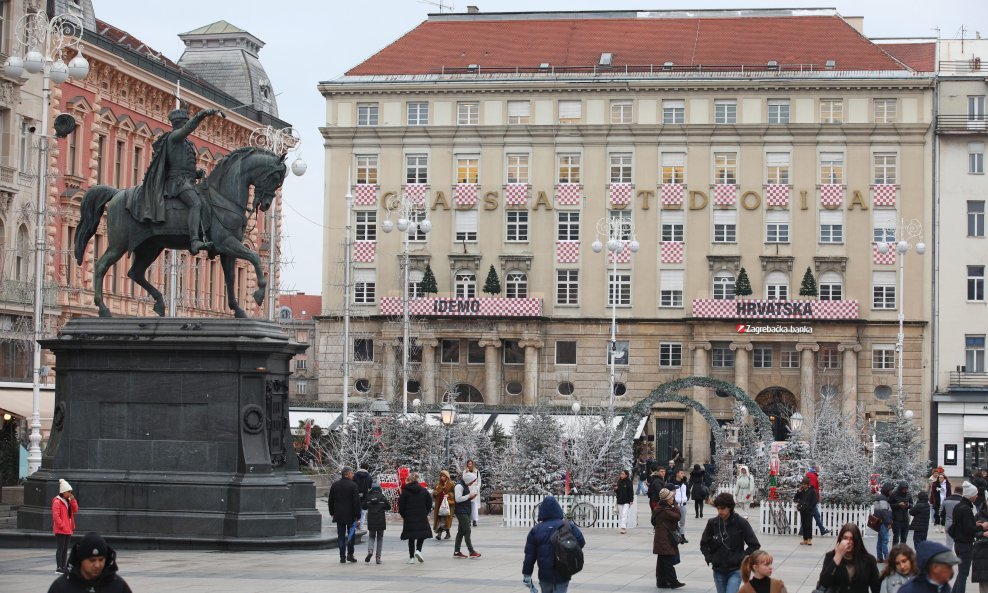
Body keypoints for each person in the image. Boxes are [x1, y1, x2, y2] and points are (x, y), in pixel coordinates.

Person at [131, 104, 222, 254]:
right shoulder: (174, 137)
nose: (186, 125)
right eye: (185, 123)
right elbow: (187, 130)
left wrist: (196, 173)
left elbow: (184, 164)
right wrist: (202, 115)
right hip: (177, 182)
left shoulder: (186, 143)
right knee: (195, 203)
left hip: (187, 181)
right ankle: (194, 241)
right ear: (179, 124)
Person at [522, 495, 586, 593]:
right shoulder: (568, 525)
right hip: (563, 571)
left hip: (545, 575)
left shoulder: (536, 530)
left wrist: (527, 574)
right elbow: (581, 542)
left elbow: (529, 556)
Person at [700, 493, 761, 593]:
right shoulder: (713, 523)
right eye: (718, 508)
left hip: (735, 569)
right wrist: (709, 557)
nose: (720, 511)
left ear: (730, 508)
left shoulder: (741, 523)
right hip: (718, 569)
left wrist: (742, 558)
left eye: (723, 508)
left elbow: (754, 545)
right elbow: (704, 543)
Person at [47, 532, 132, 593]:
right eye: (92, 560)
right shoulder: (61, 587)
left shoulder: (118, 586)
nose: (97, 565)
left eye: (101, 559)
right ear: (81, 559)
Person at [816, 523, 881, 593]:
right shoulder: (830, 557)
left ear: (857, 540)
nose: (848, 542)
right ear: (840, 539)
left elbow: (876, 587)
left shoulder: (869, 560)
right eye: (845, 538)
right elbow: (823, 583)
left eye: (852, 539)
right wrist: (838, 556)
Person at [952, 482, 982, 593]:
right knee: (963, 575)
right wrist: (981, 527)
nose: (977, 496)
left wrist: (974, 523)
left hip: (959, 543)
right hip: (964, 544)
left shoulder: (959, 506)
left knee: (961, 573)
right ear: (970, 495)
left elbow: (962, 525)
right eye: (976, 494)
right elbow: (968, 529)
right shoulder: (966, 509)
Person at [328, 466, 361, 563]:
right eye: (352, 473)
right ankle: (350, 554)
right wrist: (358, 515)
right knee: (351, 535)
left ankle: (342, 556)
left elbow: (331, 500)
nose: (353, 475)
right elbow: (356, 502)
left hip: (339, 515)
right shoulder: (353, 485)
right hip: (351, 515)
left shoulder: (335, 485)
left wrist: (332, 512)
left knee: (341, 536)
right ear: (347, 474)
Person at [653, 488, 685, 589]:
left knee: (662, 561)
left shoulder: (659, 508)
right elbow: (677, 516)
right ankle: (673, 581)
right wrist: (675, 506)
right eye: (671, 497)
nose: (673, 498)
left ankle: (661, 581)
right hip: (664, 539)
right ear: (666, 499)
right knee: (667, 561)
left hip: (662, 538)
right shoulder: (664, 510)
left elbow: (653, 521)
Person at [398, 472, 433, 564]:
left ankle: (411, 558)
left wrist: (404, 515)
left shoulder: (405, 492)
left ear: (409, 481)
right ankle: (418, 550)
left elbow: (401, 505)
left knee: (411, 537)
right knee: (422, 534)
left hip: (409, 517)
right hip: (421, 515)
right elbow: (430, 502)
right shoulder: (424, 491)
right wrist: (425, 512)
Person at [452, 471, 481, 559]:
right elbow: (458, 499)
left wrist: (471, 497)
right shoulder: (459, 486)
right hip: (461, 511)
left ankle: (457, 551)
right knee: (467, 530)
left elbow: (463, 497)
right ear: (468, 480)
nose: (472, 483)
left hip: (464, 510)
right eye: (472, 481)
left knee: (461, 532)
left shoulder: (464, 485)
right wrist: (469, 496)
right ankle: (471, 551)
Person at [52, 479, 78, 574]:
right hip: (61, 529)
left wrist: (73, 500)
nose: (70, 493)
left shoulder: (68, 501)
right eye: (68, 492)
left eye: (70, 492)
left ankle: (63, 566)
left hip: (68, 528)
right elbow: (56, 516)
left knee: (65, 548)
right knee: (61, 548)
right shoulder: (57, 501)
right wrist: (62, 525)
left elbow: (75, 510)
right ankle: (59, 567)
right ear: (63, 491)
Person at [362, 482, 389, 564]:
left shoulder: (368, 497)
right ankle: (378, 557)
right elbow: (388, 507)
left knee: (371, 536)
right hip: (380, 521)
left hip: (371, 520)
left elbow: (363, 506)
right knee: (380, 538)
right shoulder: (382, 497)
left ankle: (370, 551)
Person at [807, 467, 832, 535]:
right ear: (814, 469)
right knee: (815, 515)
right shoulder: (812, 476)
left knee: (811, 516)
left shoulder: (810, 475)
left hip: (810, 499)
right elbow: (812, 487)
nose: (819, 470)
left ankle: (802, 531)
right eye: (818, 469)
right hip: (811, 499)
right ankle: (822, 530)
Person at [796, 477, 820, 546]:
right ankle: (805, 539)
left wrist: (809, 507)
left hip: (809, 511)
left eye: (804, 484)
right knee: (804, 525)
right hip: (802, 510)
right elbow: (796, 498)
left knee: (808, 525)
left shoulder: (812, 491)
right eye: (802, 484)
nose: (803, 485)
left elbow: (815, 500)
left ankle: (809, 539)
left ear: (808, 484)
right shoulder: (802, 491)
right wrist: (799, 491)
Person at [874, 483, 895, 562]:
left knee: (880, 540)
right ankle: (886, 557)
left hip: (880, 522)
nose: (891, 492)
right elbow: (884, 511)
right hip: (884, 522)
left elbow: (877, 511)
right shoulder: (883, 499)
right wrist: (889, 522)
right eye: (890, 490)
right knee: (885, 540)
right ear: (887, 490)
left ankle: (879, 557)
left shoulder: (879, 498)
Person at [432, 470, 455, 540]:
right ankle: (445, 533)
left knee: (445, 519)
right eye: (441, 476)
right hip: (439, 505)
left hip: (447, 505)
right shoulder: (438, 484)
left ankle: (441, 534)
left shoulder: (451, 484)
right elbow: (434, 493)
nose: (442, 477)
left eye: (444, 476)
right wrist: (435, 493)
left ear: (447, 477)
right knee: (440, 519)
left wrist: (449, 495)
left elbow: (454, 494)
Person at [891, 482, 914, 546]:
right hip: (896, 519)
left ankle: (903, 551)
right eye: (903, 489)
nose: (905, 490)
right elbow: (890, 505)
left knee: (904, 538)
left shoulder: (908, 494)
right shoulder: (894, 494)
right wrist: (898, 505)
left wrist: (908, 505)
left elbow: (911, 504)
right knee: (896, 537)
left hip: (905, 518)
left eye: (906, 489)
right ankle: (895, 552)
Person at [614, 469, 634, 534]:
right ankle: (623, 527)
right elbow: (617, 491)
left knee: (624, 514)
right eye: (621, 474)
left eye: (623, 474)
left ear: (626, 475)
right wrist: (616, 489)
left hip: (626, 501)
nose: (621, 475)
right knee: (621, 515)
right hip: (620, 500)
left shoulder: (629, 482)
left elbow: (631, 491)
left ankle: (623, 528)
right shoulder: (619, 481)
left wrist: (631, 500)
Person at [672, 468, 690, 543]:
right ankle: (675, 536)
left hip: (683, 505)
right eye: (681, 473)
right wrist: (673, 502)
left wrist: (686, 499)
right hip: (675, 505)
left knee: (682, 522)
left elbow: (688, 492)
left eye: (683, 473)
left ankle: (682, 536)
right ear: (677, 474)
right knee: (674, 522)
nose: (683, 474)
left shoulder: (685, 483)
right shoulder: (672, 483)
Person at [353, 463, 372, 528]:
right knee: (363, 512)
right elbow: (370, 487)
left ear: (360, 467)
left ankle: (354, 525)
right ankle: (361, 526)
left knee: (355, 511)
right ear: (367, 468)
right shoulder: (369, 476)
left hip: (355, 495)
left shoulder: (355, 476)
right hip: (365, 496)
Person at [465, 459, 482, 526]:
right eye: (469, 464)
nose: (470, 465)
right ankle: (468, 520)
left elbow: (479, 481)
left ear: (473, 464)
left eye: (471, 464)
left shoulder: (477, 471)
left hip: (475, 490)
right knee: (468, 505)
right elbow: (464, 480)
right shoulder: (465, 472)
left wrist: (477, 488)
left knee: (474, 506)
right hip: (468, 489)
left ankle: (474, 520)